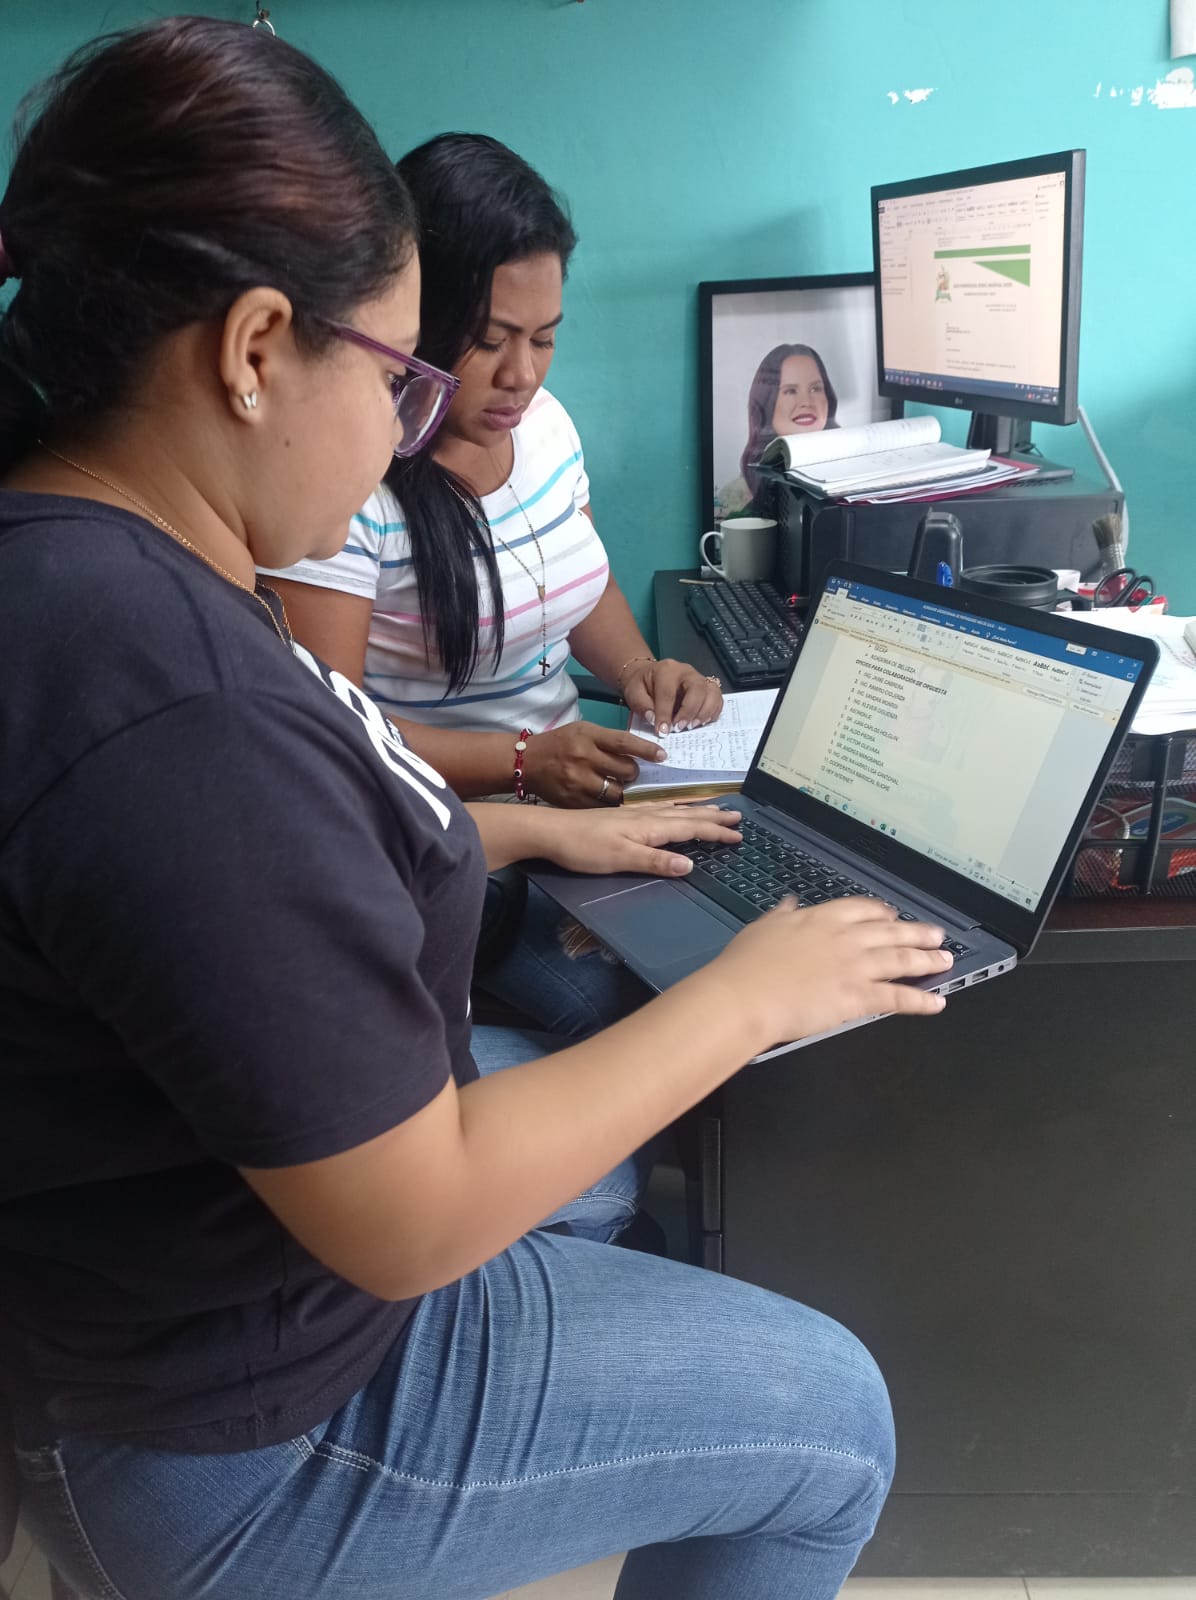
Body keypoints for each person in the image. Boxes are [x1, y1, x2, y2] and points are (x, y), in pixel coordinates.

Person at [0, 20, 954, 1600]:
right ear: (253, 349)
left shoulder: (104, 562)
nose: (415, 420)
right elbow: (415, 1214)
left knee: (601, 1175)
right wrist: (749, 996)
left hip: (185, 1303)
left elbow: (253, 896)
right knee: (836, 1422)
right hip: (244, 1426)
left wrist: (531, 829)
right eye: (399, 375)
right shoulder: (171, 694)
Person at [263, 133, 722, 812]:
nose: (522, 376)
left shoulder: (546, 424)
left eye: (545, 338)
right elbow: (335, 734)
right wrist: (524, 764)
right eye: (489, 341)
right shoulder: (348, 483)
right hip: (444, 826)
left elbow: (580, 584)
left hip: (575, 797)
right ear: (414, 313)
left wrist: (642, 672)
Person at [719, 342, 840, 515]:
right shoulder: (735, 497)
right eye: (790, 391)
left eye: (815, 389)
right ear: (767, 403)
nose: (806, 402)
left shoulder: (853, 472)